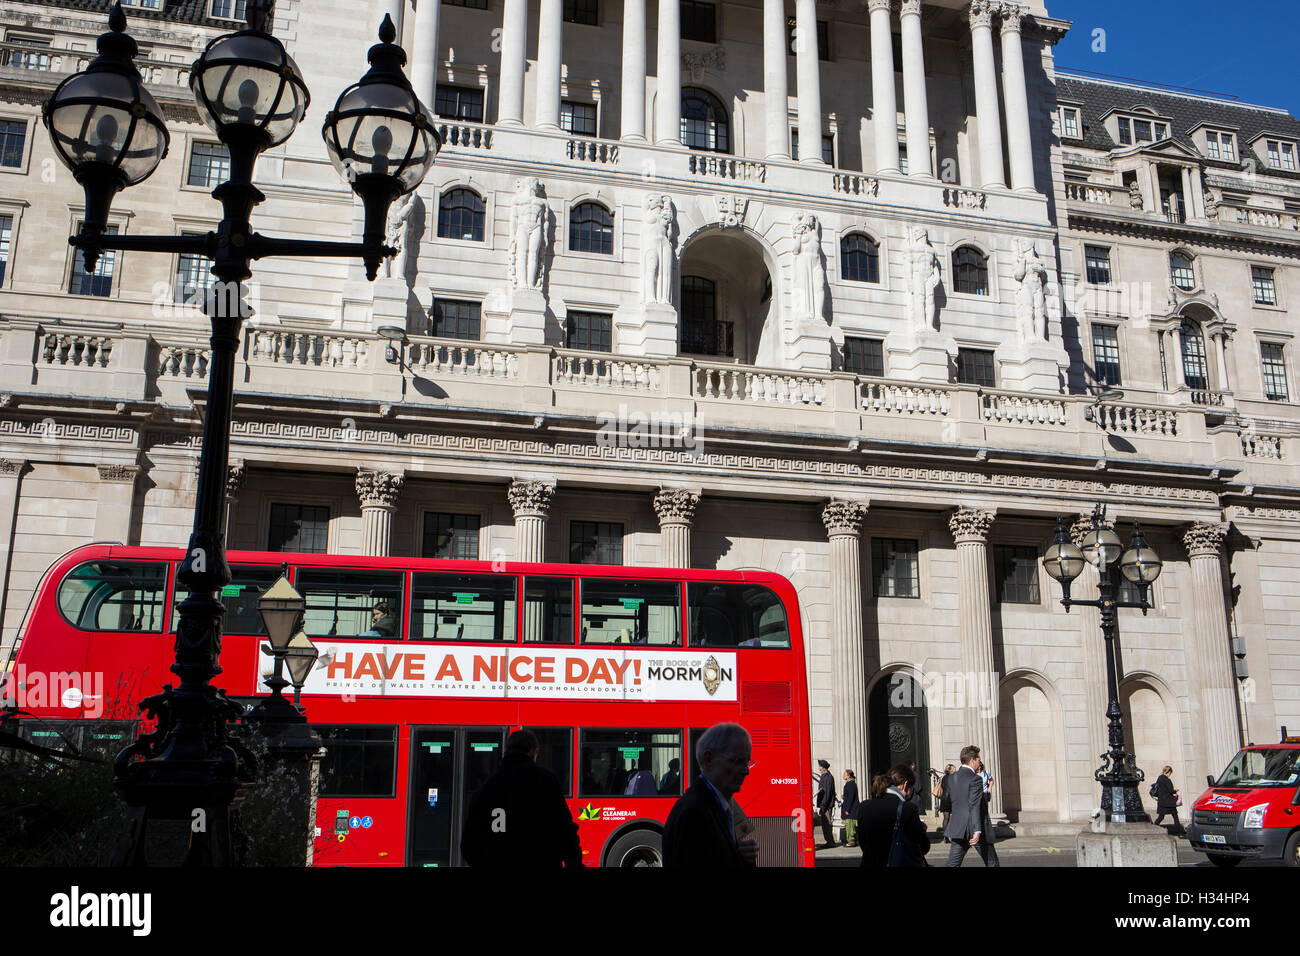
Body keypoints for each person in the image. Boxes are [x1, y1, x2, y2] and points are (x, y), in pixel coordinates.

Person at [460, 729, 582, 867]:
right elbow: (566, 833)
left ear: (507, 750)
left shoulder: (486, 789)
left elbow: (468, 845)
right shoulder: (546, 781)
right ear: (532, 751)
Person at [662, 722, 758, 868]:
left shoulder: (715, 805)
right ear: (709, 759)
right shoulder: (694, 813)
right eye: (737, 761)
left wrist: (740, 856)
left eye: (747, 762)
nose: (746, 771)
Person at [857, 764, 931, 867]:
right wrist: (922, 829)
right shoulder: (908, 809)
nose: (909, 794)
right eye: (911, 788)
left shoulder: (864, 807)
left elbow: (863, 842)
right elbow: (923, 847)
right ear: (905, 784)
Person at [945, 745, 999, 868]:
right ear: (972, 760)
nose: (979, 764)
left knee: (953, 863)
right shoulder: (975, 779)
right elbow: (974, 806)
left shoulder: (952, 778)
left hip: (958, 827)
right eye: (978, 760)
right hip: (977, 827)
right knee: (992, 863)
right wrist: (977, 830)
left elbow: (951, 801)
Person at [1151, 766, 1184, 835]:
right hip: (1169, 802)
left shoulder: (1159, 778)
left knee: (1161, 816)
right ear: (1168, 772)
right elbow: (1171, 790)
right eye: (1170, 773)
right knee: (1175, 816)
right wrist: (1175, 791)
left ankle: (1153, 828)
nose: (1170, 775)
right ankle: (1180, 832)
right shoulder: (1167, 780)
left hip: (1161, 801)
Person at [815, 759, 837, 849]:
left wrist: (823, 806)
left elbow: (827, 793)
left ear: (823, 767)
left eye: (819, 766)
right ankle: (829, 841)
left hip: (826, 806)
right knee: (825, 824)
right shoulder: (825, 776)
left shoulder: (827, 777)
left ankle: (830, 842)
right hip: (824, 805)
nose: (818, 767)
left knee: (827, 824)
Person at [841, 770, 860, 848]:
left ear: (848, 775)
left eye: (844, 774)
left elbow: (851, 798)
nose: (843, 775)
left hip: (851, 810)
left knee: (850, 826)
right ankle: (855, 840)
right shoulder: (851, 784)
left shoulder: (850, 784)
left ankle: (851, 841)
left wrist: (847, 809)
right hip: (851, 808)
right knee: (851, 826)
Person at [938, 764, 956, 842]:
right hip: (952, 799)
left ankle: (945, 836)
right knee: (954, 818)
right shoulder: (954, 778)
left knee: (946, 818)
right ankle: (953, 835)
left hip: (944, 799)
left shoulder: (944, 778)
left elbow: (942, 787)